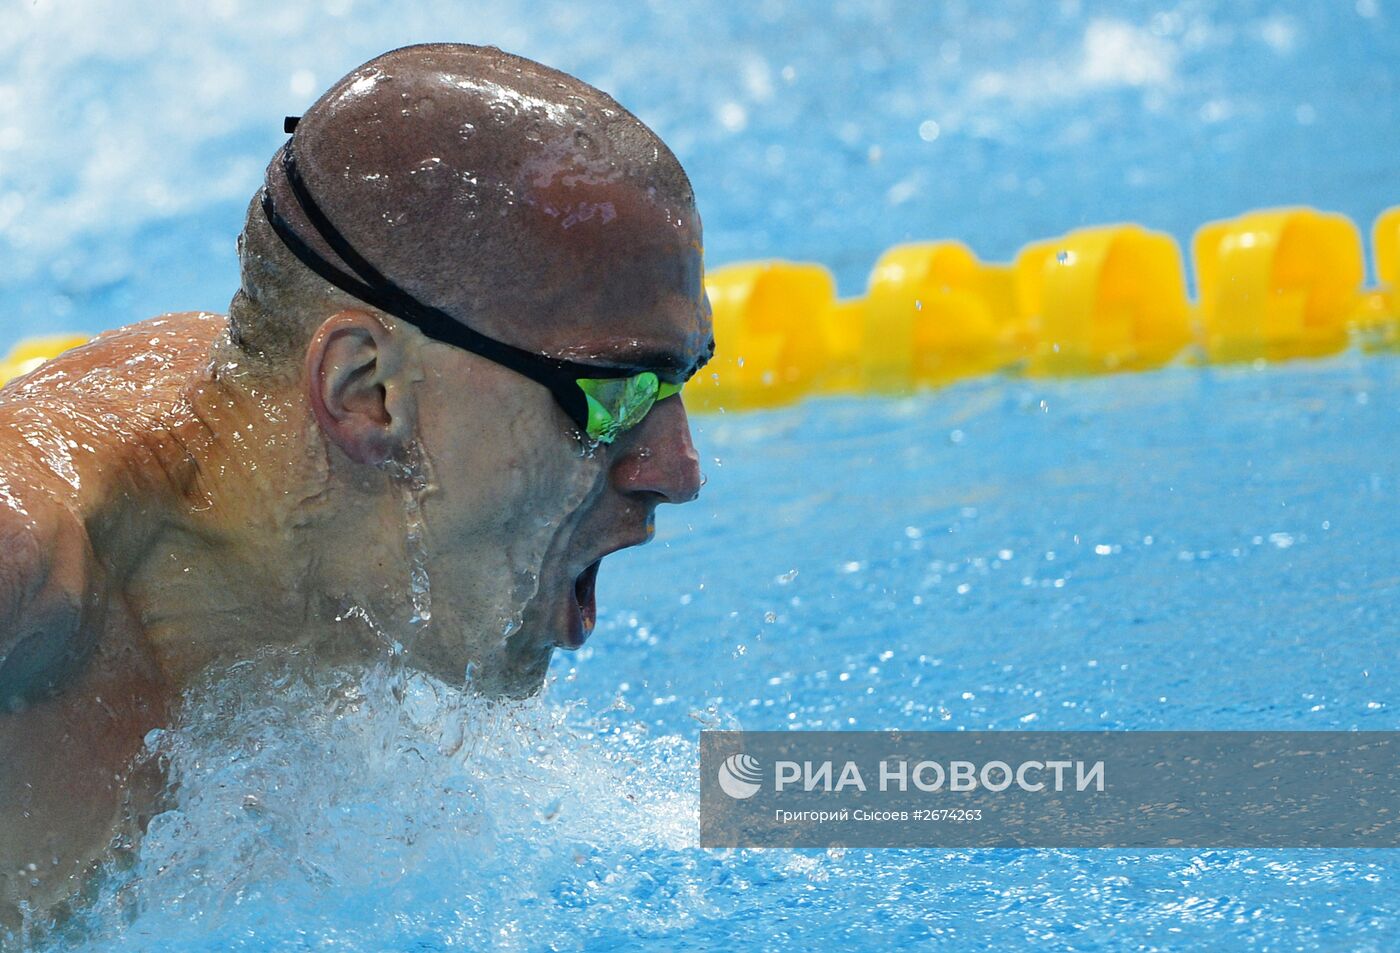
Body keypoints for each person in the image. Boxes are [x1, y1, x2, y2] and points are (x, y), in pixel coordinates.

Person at [0, 42, 712, 932]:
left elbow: (672, 814)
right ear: (365, 394)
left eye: (682, 385)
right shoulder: (31, 572)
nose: (678, 470)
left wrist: (919, 796)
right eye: (615, 394)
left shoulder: (345, 565)